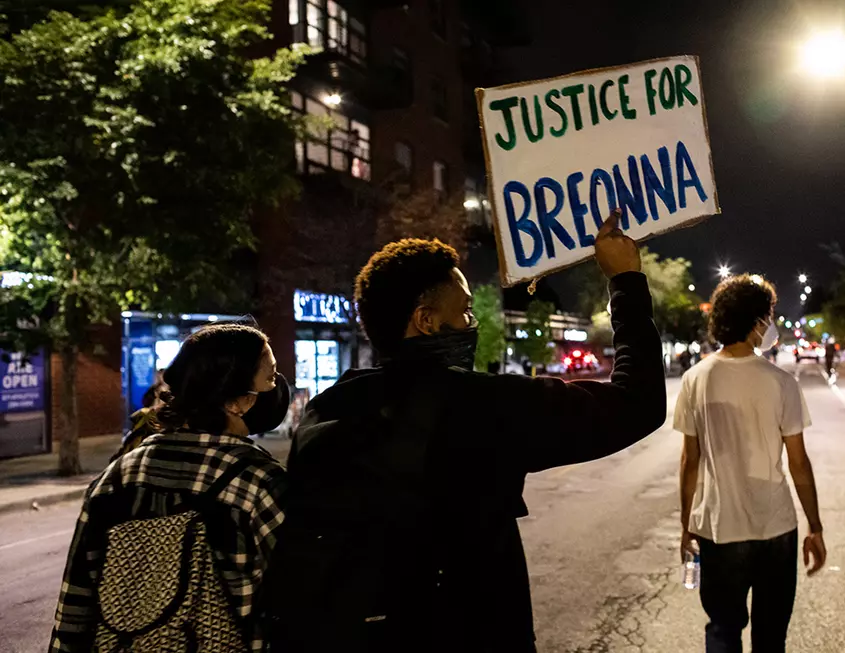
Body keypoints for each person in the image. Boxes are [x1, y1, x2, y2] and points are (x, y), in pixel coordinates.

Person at [267, 210, 666, 652]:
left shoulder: (326, 411)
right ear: (426, 320)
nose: (472, 323)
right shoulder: (482, 405)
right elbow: (638, 403)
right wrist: (626, 281)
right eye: (465, 310)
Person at [50, 323, 292, 652]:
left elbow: (75, 606)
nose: (277, 387)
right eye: (270, 377)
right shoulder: (258, 483)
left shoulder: (118, 477)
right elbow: (300, 603)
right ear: (235, 401)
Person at [675, 274, 826, 653]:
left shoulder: (696, 380)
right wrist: (815, 525)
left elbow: (689, 462)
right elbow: (799, 463)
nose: (770, 325)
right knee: (771, 637)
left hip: (718, 527)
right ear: (757, 320)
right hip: (775, 527)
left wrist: (685, 526)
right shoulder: (780, 382)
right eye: (769, 316)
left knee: (723, 631)